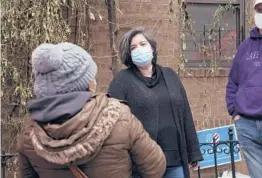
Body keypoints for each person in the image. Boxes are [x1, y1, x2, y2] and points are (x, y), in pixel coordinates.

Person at [17, 42, 166, 178]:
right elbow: (155, 168)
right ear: (86, 84)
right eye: (90, 76)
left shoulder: (30, 132)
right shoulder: (119, 116)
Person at [108, 27, 203, 178]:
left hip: (175, 160)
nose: (139, 49)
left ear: (152, 48)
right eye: (133, 47)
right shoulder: (122, 81)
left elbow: (185, 114)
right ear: (129, 54)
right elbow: (115, 122)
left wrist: (194, 152)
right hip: (142, 163)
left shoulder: (170, 76)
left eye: (143, 44)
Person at [226, 1, 262, 177]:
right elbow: (233, 82)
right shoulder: (244, 48)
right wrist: (235, 112)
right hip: (246, 125)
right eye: (260, 10)